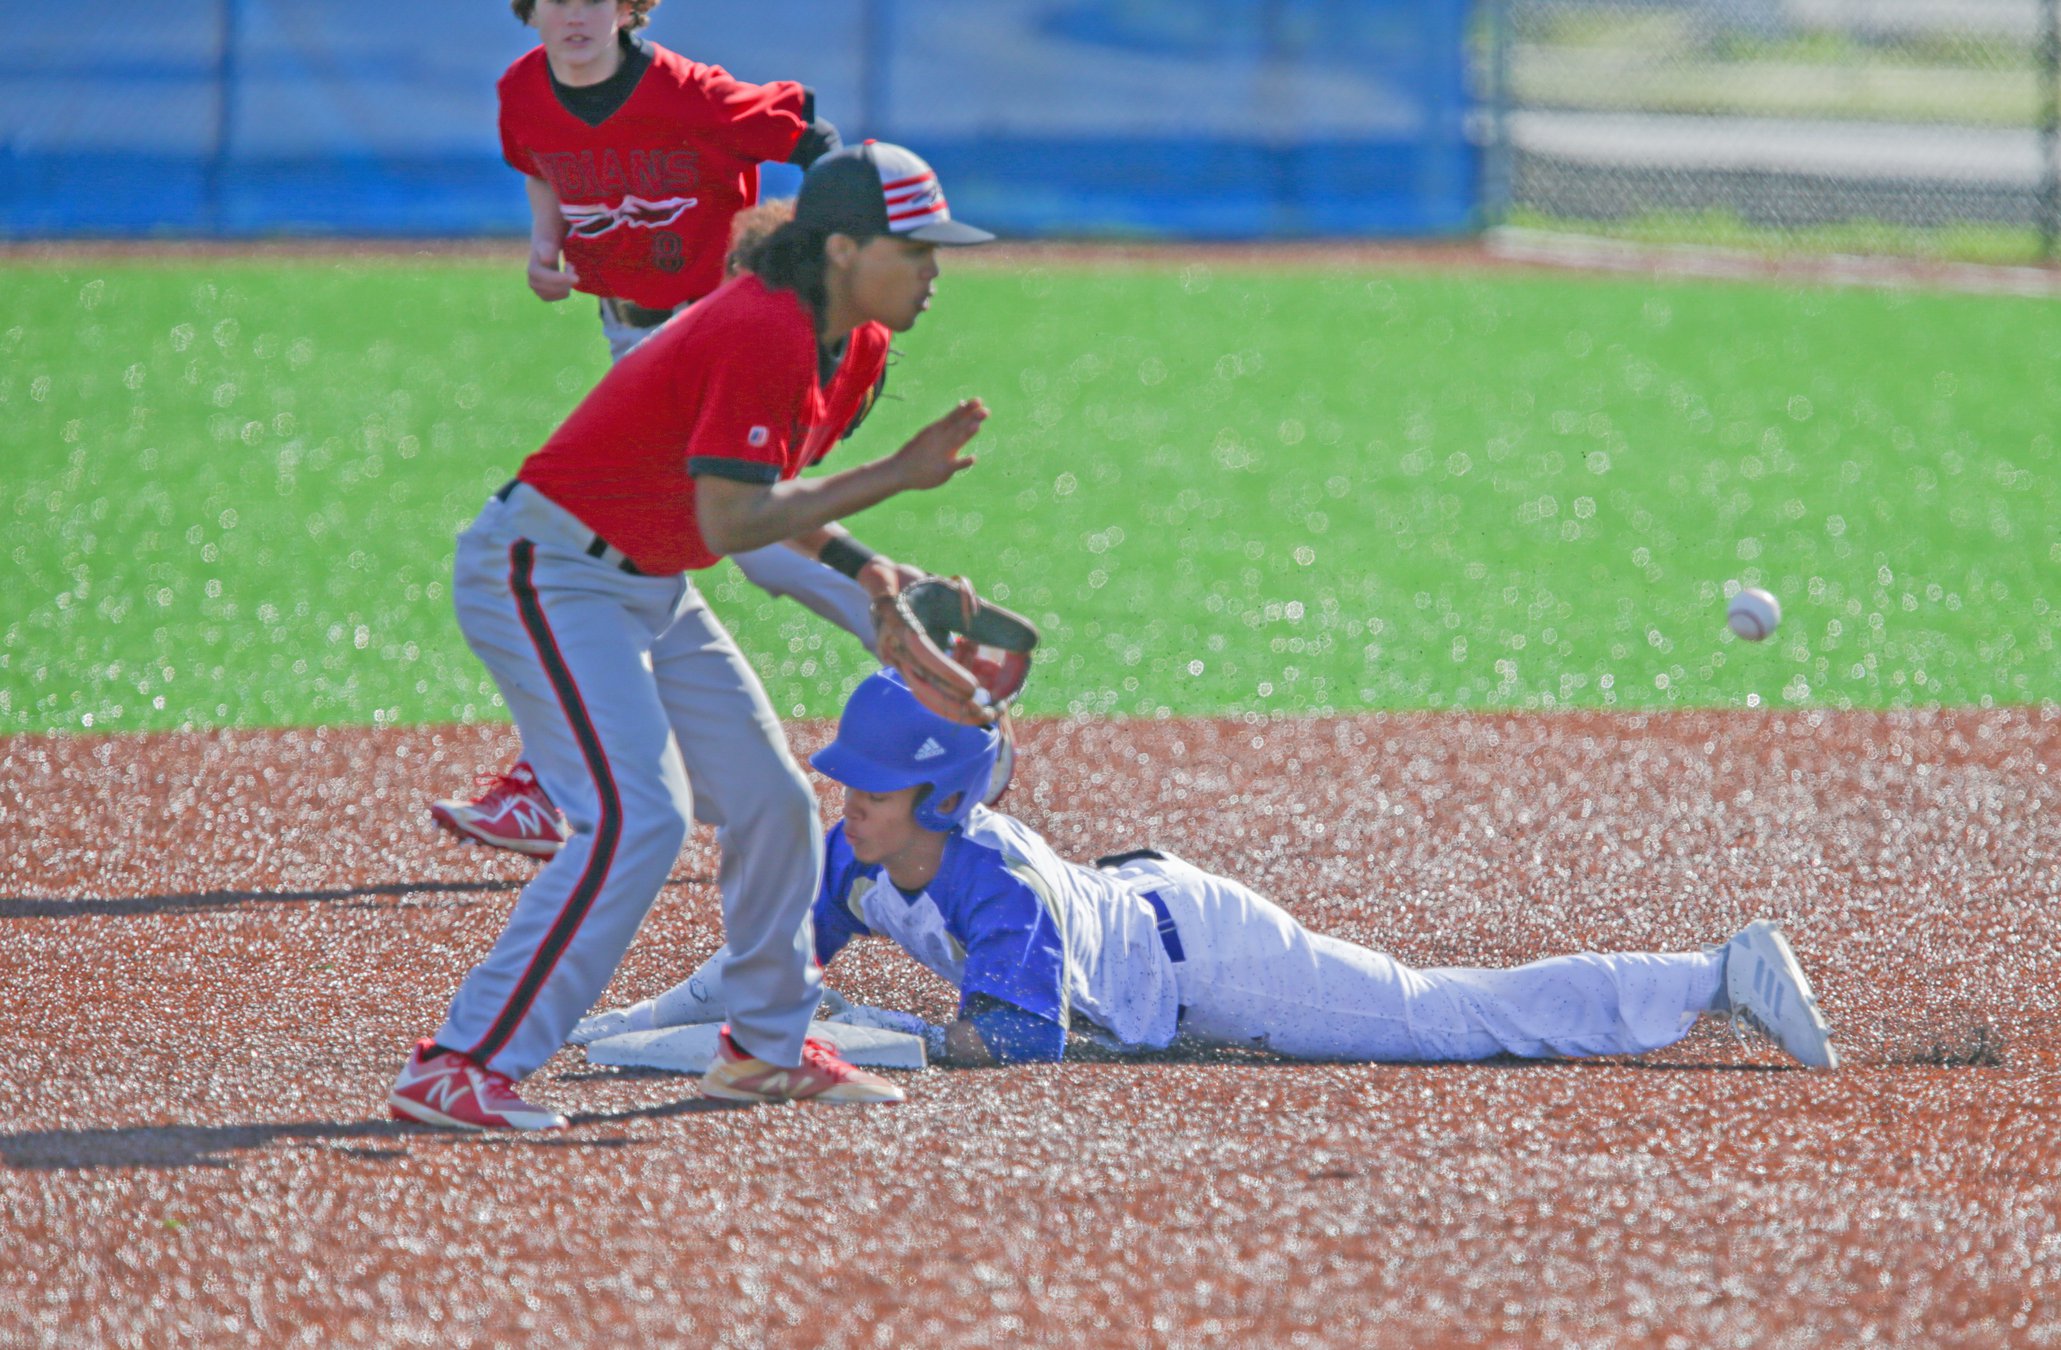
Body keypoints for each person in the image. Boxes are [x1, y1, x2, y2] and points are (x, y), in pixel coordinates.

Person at [390, 142, 997, 1131]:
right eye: (914, 246)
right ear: (842, 246)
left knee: (774, 802)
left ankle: (762, 1048)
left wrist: (867, 571)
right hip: (548, 570)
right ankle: (463, 1062)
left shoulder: (857, 349)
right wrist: (896, 474)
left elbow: (771, 501)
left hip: (647, 580)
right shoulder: (763, 329)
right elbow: (731, 523)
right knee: (637, 818)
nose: (933, 270)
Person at [573, 670, 1842, 1074]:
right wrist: (617, 1027)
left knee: (1439, 1017)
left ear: (943, 801)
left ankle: (1711, 973)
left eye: (873, 779)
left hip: (1210, 954)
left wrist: (864, 1029)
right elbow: (761, 973)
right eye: (847, 771)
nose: (846, 793)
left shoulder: (990, 883)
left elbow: (1015, 1042)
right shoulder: (858, 857)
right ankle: (1701, 975)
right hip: (1140, 907)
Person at [432, 0, 885, 857]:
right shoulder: (523, 91)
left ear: (629, 6)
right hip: (626, 332)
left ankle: (906, 633)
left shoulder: (694, 96)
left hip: (715, 336)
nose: (574, 14)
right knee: (648, 542)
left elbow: (815, 141)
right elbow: (540, 165)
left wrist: (819, 259)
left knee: (694, 533)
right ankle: (908, 627)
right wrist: (543, 243)